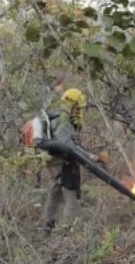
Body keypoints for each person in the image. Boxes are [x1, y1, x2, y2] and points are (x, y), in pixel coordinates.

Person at [35, 88, 92, 236]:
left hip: (53, 163)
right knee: (71, 197)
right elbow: (67, 145)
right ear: (71, 106)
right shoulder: (64, 120)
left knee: (54, 192)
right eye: (78, 108)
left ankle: (48, 229)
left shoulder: (57, 117)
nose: (80, 111)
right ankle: (67, 234)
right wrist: (88, 155)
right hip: (64, 164)